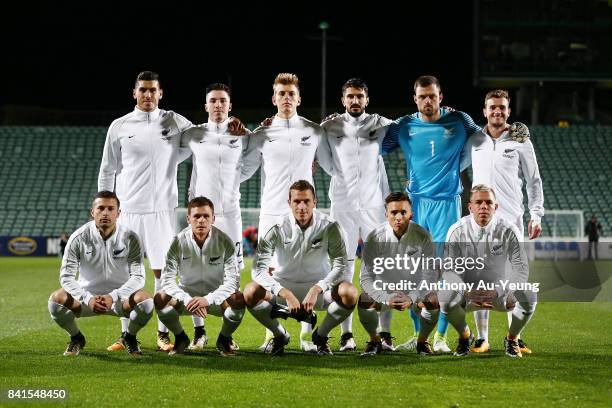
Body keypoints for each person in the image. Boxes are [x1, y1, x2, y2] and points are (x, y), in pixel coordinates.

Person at [98, 70, 246, 352]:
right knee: (125, 274)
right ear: (134, 93)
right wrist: (108, 207)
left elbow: (205, 134)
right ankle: (126, 334)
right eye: (143, 90)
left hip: (163, 210)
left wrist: (232, 124)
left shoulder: (174, 121)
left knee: (161, 273)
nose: (148, 95)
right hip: (128, 210)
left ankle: (163, 333)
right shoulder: (119, 126)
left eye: (153, 90)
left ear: (160, 93)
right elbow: (108, 169)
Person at [382, 75, 530, 353]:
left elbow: (484, 136)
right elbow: (371, 144)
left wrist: (515, 129)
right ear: (415, 99)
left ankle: (440, 337)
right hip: (416, 204)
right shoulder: (403, 126)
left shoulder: (459, 120)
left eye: (433, 96)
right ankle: (419, 333)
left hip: (447, 204)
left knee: (445, 274)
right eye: (422, 96)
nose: (428, 101)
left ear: (441, 97)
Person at [241, 73, 324, 352]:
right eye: (281, 93)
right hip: (272, 214)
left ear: (298, 98)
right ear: (274, 98)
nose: (286, 98)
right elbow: (245, 170)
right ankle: (273, 334)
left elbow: (333, 162)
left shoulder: (314, 130)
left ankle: (305, 336)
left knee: (307, 271)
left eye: (291, 94)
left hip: (304, 214)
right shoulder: (262, 134)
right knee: (267, 274)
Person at [462, 89, 544, 354]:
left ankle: (513, 337)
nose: (497, 111)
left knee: (515, 281)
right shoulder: (474, 140)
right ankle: (481, 338)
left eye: (502, 107)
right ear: (484, 111)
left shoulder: (520, 140)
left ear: (509, 111)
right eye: (492, 107)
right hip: (480, 222)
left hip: (511, 219)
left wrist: (537, 213)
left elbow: (533, 180)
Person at [317, 78, 395, 352]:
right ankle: (346, 335)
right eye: (350, 96)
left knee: (381, 270)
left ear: (367, 99)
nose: (354, 101)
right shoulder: (330, 127)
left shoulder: (380, 123)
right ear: (343, 100)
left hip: (374, 207)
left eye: (359, 96)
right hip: (343, 206)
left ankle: (384, 333)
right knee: (343, 268)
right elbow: (326, 164)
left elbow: (406, 127)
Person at [243, 180, 358, 356]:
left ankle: (320, 336)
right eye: (297, 201)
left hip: (318, 290)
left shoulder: (330, 226)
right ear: (289, 203)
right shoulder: (277, 227)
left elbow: (341, 265)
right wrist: (284, 293)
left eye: (306, 201)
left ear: (315, 202)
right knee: (250, 292)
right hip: (282, 287)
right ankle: (280, 335)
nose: (302, 206)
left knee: (350, 293)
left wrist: (317, 288)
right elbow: (258, 269)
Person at [180, 83, 249, 350]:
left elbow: (252, 161)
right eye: (213, 101)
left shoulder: (242, 135)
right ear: (205, 105)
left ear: (230, 105)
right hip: (201, 214)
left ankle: (226, 335)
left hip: (230, 214)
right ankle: (199, 332)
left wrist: (232, 187)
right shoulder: (194, 134)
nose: (218, 105)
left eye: (223, 101)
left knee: (231, 274)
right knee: (196, 270)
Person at [47, 191, 153, 356]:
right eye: (100, 208)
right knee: (55, 301)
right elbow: (66, 277)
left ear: (118, 213)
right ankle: (76, 338)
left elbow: (138, 277)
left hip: (119, 300)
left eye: (111, 209)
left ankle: (129, 337)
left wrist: (114, 296)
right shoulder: (78, 238)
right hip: (87, 299)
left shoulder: (131, 238)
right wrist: (87, 298)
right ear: (92, 212)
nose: (105, 213)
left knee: (146, 302)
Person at [439, 185, 536, 358]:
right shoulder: (457, 231)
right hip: (468, 295)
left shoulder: (509, 230)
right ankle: (465, 337)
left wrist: (499, 291)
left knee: (529, 294)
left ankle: (512, 339)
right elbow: (449, 270)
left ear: (495, 207)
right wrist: (466, 292)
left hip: (500, 295)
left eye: (488, 202)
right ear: (470, 207)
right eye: (478, 202)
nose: (483, 206)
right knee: (445, 296)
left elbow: (520, 269)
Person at [155, 196, 244, 356]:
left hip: (216, 300)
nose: (201, 220)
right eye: (196, 216)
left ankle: (224, 339)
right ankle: (181, 337)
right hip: (187, 300)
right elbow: (167, 280)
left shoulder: (225, 241)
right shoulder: (178, 242)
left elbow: (233, 281)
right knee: (160, 298)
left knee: (238, 298)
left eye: (206, 216)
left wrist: (208, 299)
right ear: (188, 218)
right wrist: (187, 298)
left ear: (213, 219)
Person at [358, 192, 440, 356]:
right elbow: (365, 278)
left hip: (414, 291)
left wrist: (413, 297)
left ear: (411, 214)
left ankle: (422, 342)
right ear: (386, 214)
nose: (398, 217)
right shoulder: (375, 237)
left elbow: (430, 276)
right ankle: (375, 341)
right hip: (385, 291)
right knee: (364, 299)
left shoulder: (423, 236)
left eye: (403, 212)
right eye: (394, 212)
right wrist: (385, 297)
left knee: (433, 300)